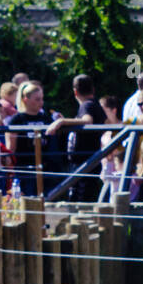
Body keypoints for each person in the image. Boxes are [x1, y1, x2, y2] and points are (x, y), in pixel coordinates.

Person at [46, 74, 105, 202]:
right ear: (93, 89)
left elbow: (87, 121)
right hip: (89, 162)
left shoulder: (87, 105)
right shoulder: (94, 105)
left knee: (79, 204)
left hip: (84, 163)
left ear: (75, 92)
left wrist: (61, 122)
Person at [5, 82, 65, 197]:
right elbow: (11, 148)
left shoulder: (46, 118)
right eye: (37, 99)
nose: (41, 102)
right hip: (25, 170)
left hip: (45, 170)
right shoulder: (17, 120)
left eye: (42, 99)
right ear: (25, 99)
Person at [97, 95, 123, 201]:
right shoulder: (104, 130)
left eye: (103, 110)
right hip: (107, 174)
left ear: (114, 110)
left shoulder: (123, 127)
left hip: (119, 174)